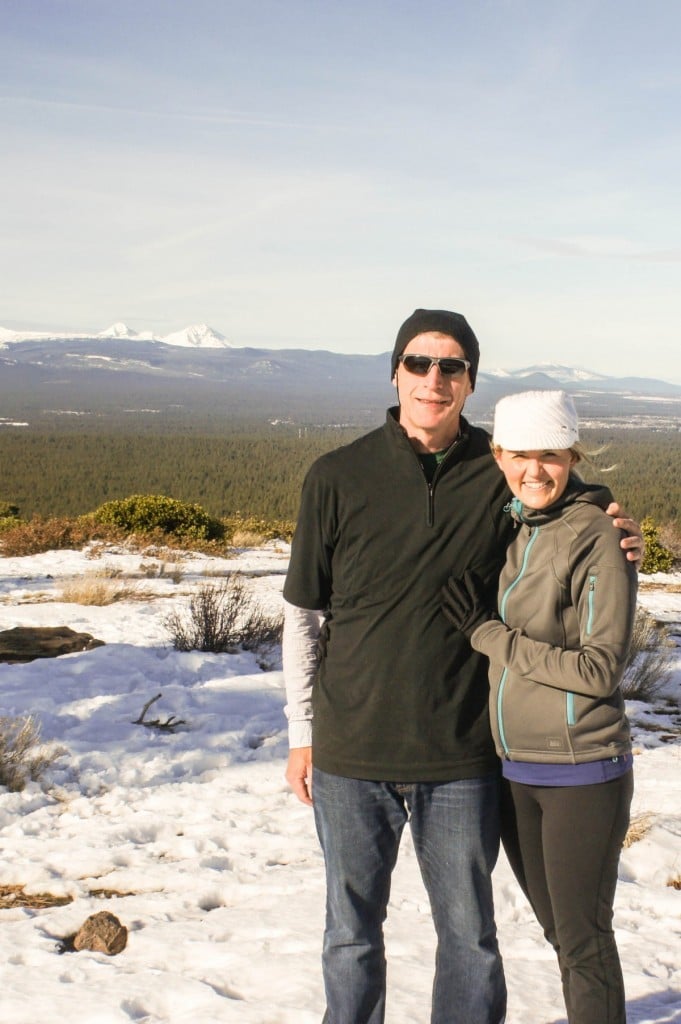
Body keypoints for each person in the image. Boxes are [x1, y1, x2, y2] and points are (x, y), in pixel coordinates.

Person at [283, 310, 642, 1024]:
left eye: (450, 367)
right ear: (394, 371)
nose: (432, 379)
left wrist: (612, 520)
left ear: (470, 382)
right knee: (349, 936)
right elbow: (305, 615)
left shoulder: (497, 465)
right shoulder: (336, 476)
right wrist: (301, 729)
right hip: (350, 751)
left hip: (462, 752)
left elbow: (562, 490)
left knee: (469, 939)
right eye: (418, 363)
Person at [442, 389, 636, 1024]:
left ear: (572, 454)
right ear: (497, 456)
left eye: (550, 455)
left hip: (582, 768)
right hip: (517, 767)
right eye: (520, 455)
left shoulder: (596, 537)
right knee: (562, 937)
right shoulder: (516, 525)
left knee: (582, 942)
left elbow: (599, 668)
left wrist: (488, 634)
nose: (535, 471)